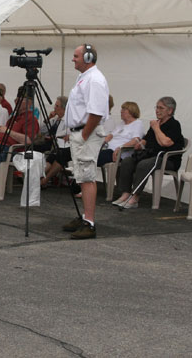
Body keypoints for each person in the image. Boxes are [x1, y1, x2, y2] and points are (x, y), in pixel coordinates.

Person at [61, 44, 110, 240]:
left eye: (76, 56)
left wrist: (83, 135)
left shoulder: (95, 80)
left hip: (86, 134)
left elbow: (96, 112)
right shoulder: (86, 78)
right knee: (82, 175)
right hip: (81, 133)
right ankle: (85, 217)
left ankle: (89, 222)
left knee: (87, 176)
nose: (73, 59)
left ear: (88, 57)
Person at [113, 96, 184, 209]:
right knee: (127, 161)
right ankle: (125, 193)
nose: (157, 110)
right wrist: (140, 144)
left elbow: (165, 143)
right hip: (151, 155)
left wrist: (156, 128)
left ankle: (135, 196)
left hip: (167, 159)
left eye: (161, 108)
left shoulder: (174, 124)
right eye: (157, 107)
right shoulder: (156, 123)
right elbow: (146, 139)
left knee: (143, 165)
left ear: (170, 111)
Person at [97, 101, 145, 166]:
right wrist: (100, 143)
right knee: (90, 153)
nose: (121, 111)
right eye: (121, 109)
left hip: (118, 154)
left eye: (124, 109)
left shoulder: (137, 123)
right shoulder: (121, 123)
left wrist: (120, 148)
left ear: (131, 112)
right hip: (107, 149)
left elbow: (135, 141)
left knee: (93, 158)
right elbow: (110, 135)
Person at [38, 96, 71, 188]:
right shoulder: (55, 119)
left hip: (60, 144)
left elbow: (69, 132)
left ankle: (42, 178)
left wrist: (55, 136)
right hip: (52, 143)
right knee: (36, 147)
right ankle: (37, 177)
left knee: (56, 154)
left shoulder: (68, 120)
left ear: (64, 109)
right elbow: (42, 130)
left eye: (57, 106)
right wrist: (48, 118)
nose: (54, 108)